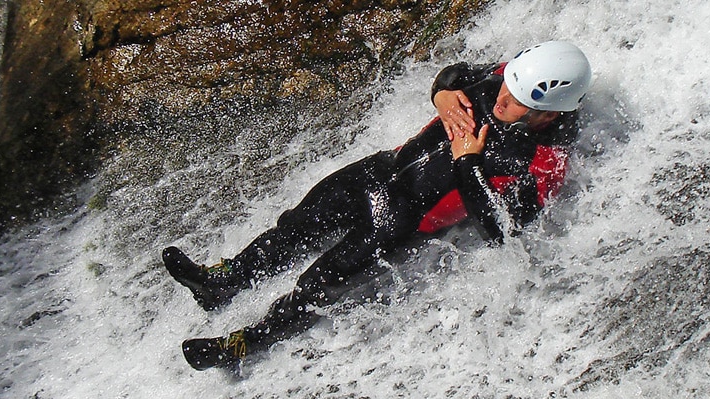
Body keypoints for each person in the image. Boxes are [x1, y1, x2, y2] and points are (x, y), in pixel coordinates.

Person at [162, 41, 592, 371]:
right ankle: (224, 280)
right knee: (294, 226)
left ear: (548, 114)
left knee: (317, 284)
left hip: (401, 223)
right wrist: (442, 96)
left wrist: (467, 161)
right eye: (507, 85)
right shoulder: (509, 77)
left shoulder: (544, 162)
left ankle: (244, 344)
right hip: (379, 172)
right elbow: (452, 76)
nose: (501, 97)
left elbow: (502, 231)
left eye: (516, 100)